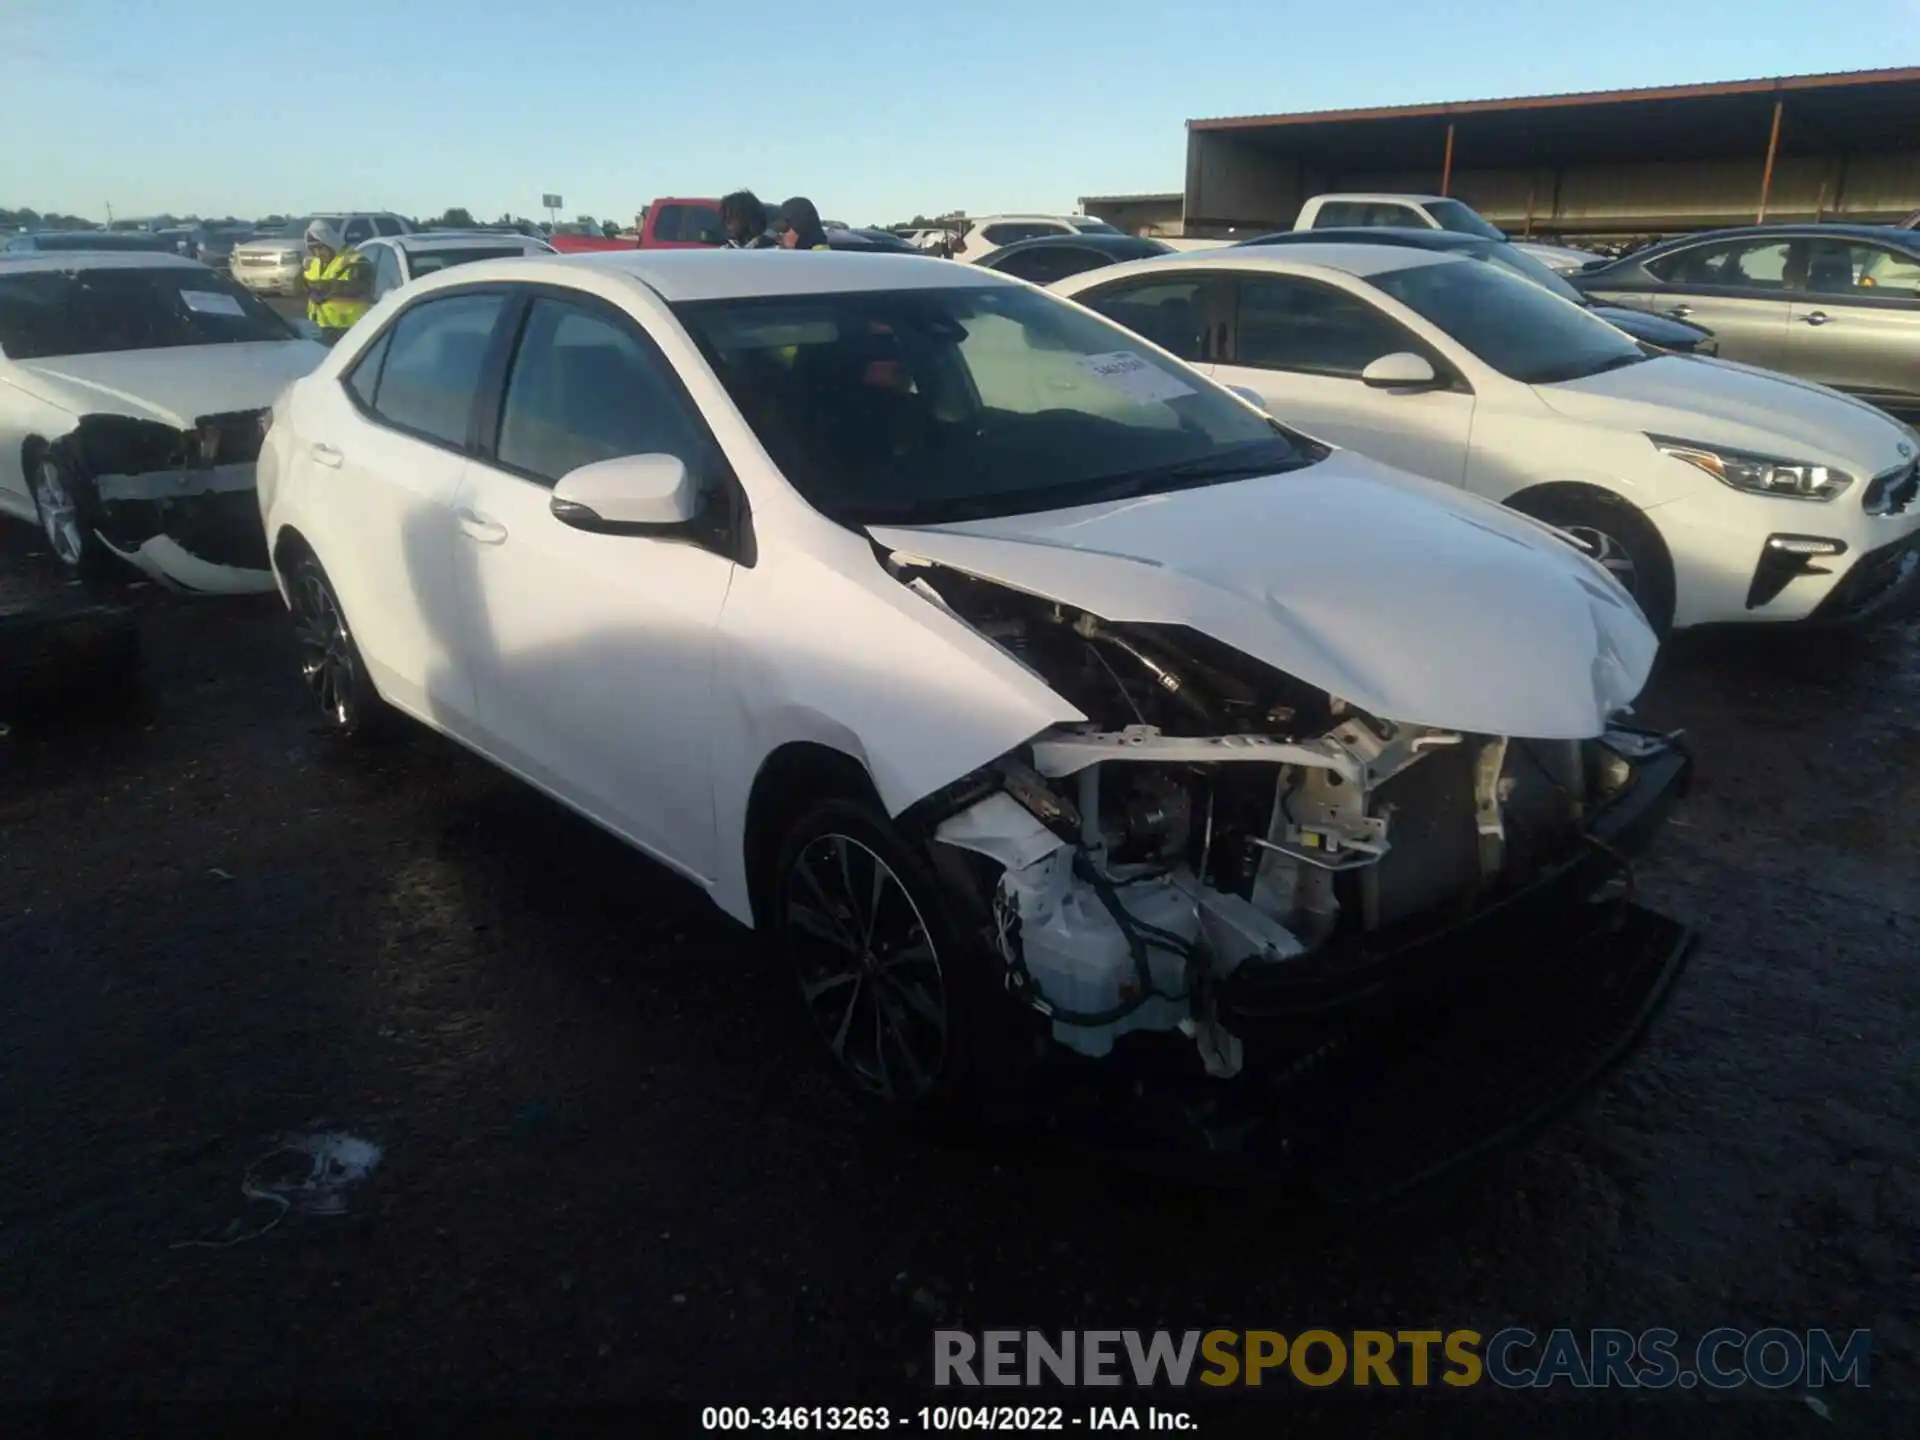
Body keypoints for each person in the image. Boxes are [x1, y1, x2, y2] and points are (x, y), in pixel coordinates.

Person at [301, 220, 374, 345]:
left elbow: (359, 287)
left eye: (320, 248)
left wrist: (324, 288)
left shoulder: (356, 261)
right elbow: (304, 283)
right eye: (313, 249)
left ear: (329, 243)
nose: (317, 253)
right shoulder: (315, 263)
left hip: (350, 328)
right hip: (321, 327)